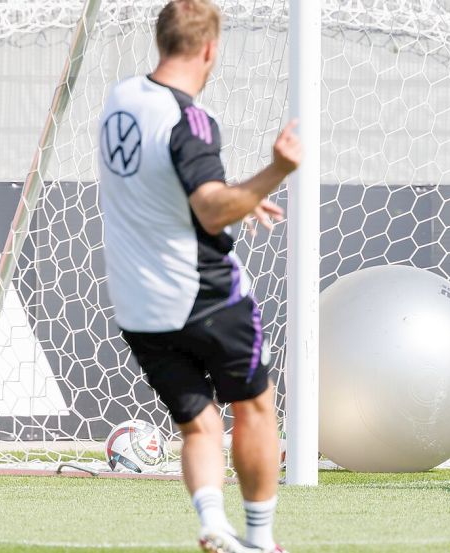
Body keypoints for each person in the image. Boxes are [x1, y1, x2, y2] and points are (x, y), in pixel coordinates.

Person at [97, 1, 302, 551]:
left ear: (161, 40)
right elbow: (211, 209)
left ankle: (213, 525)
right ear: (210, 50)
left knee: (199, 423)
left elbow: (167, 186)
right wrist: (273, 173)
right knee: (254, 405)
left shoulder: (119, 100)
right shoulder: (191, 120)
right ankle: (260, 540)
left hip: (139, 306)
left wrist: (242, 198)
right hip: (204, 295)